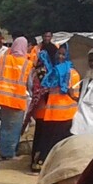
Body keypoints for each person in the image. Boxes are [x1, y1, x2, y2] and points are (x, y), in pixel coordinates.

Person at [29, 42, 80, 173]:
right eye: (59, 54)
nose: (61, 57)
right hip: (59, 113)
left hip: (60, 113)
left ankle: (44, 165)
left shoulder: (57, 73)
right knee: (57, 143)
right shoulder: (62, 72)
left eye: (63, 54)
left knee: (52, 142)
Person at [0, 36, 34, 160]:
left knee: (5, 126)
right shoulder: (27, 63)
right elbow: (30, 84)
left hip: (3, 98)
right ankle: (10, 154)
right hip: (17, 99)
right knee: (15, 128)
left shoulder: (4, 59)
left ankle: (3, 152)